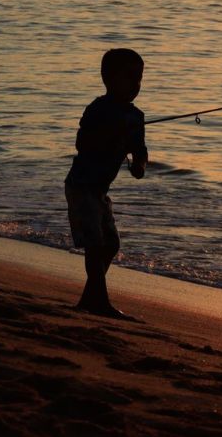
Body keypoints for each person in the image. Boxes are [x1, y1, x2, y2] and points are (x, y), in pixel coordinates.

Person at [64, 48, 148, 319]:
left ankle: (90, 299)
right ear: (109, 79)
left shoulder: (136, 117)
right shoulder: (98, 109)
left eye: (139, 78)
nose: (136, 85)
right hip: (81, 185)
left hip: (100, 191)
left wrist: (138, 166)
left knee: (110, 244)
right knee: (95, 244)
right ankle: (99, 301)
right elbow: (82, 144)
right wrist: (110, 136)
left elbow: (140, 153)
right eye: (130, 77)